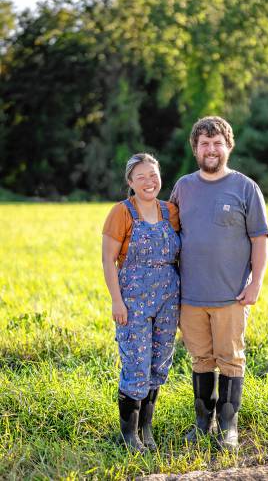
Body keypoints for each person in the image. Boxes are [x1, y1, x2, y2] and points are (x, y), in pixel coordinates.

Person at [170, 116, 268, 450]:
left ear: (228, 146)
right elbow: (169, 234)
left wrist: (255, 283)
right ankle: (203, 424)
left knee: (230, 359)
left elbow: (259, 240)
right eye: (204, 144)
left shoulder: (245, 187)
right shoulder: (183, 187)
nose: (211, 150)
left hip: (231, 296)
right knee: (200, 359)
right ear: (195, 149)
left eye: (217, 143)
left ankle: (229, 428)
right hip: (190, 296)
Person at [102, 153, 180, 453]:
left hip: (168, 302)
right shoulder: (121, 213)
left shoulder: (170, 210)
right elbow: (108, 261)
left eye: (154, 175)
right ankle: (129, 435)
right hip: (132, 303)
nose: (150, 181)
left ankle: (147, 427)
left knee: (159, 363)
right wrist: (116, 302)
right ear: (130, 182)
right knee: (136, 364)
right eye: (142, 177)